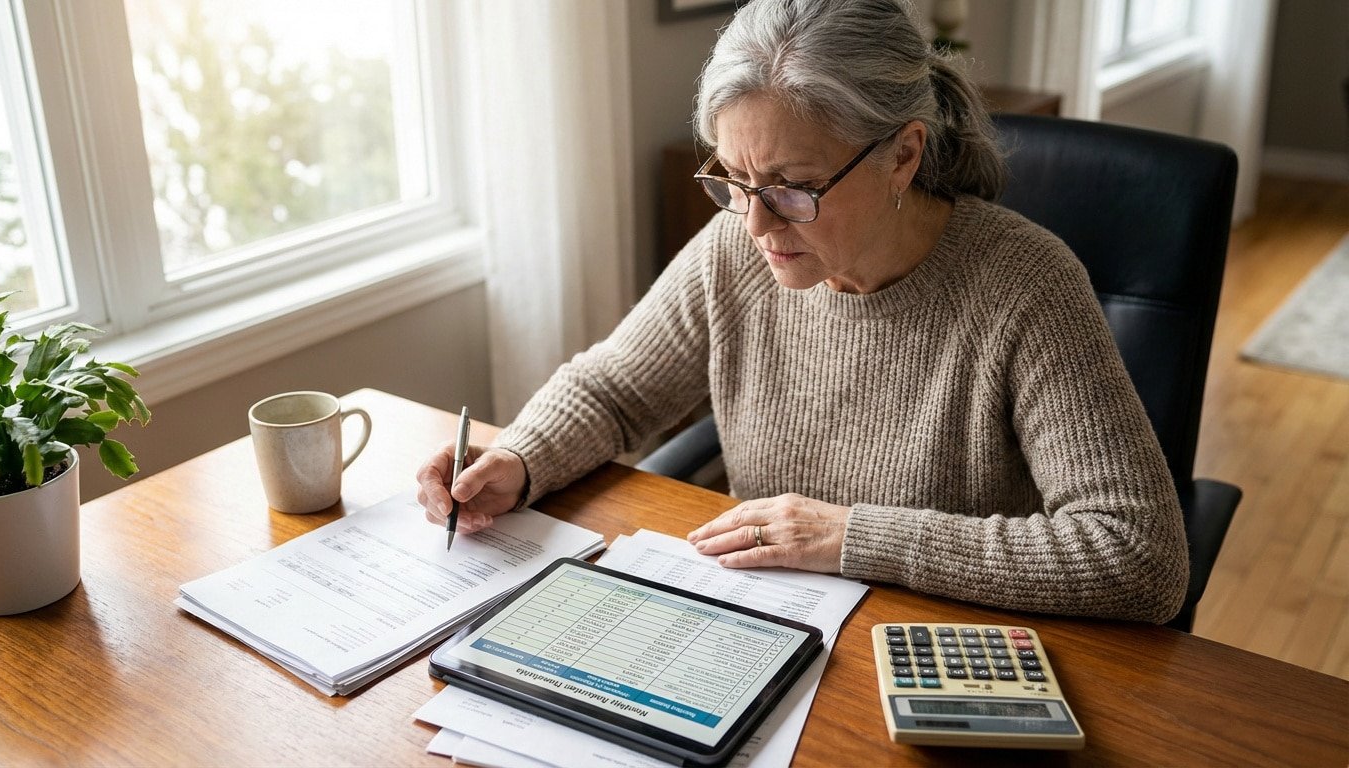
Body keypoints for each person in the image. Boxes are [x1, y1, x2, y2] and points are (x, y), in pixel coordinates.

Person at [417, 0, 1189, 623]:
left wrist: (851, 536)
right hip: (767, 624)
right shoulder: (736, 250)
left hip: (938, 654)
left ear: (904, 154)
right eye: (733, 180)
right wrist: (518, 458)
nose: (754, 225)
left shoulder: (1026, 286)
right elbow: (615, 389)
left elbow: (1140, 556)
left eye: (791, 187)